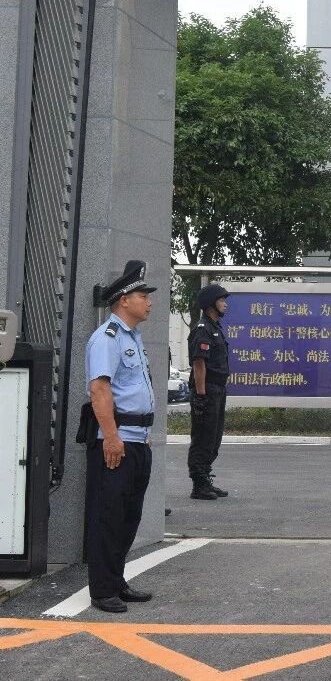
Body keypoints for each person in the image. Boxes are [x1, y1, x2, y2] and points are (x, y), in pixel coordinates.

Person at [83, 260, 158, 613]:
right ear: (124, 300)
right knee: (109, 517)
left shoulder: (133, 338)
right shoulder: (107, 338)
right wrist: (112, 438)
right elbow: (100, 390)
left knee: (129, 517)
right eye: (143, 295)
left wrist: (143, 435)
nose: (149, 301)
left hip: (137, 440)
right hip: (116, 442)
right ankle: (102, 591)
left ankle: (116, 580)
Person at [188, 283, 231, 500]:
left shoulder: (215, 328)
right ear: (210, 304)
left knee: (214, 437)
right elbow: (199, 364)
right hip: (207, 390)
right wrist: (201, 396)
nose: (225, 304)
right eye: (222, 300)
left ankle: (205, 478)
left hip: (218, 390)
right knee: (203, 437)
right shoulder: (203, 329)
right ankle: (199, 485)